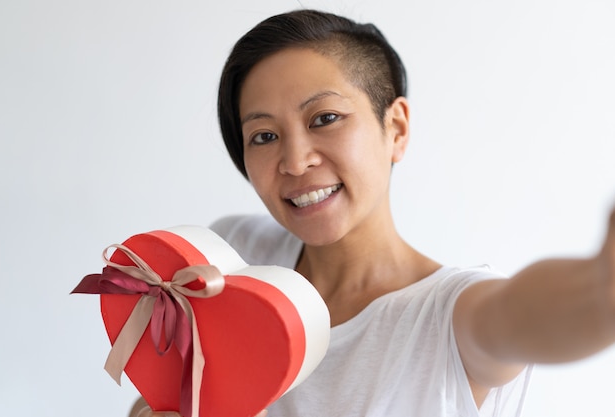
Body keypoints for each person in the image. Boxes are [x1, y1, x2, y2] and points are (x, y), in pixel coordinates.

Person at [134, 8, 615, 417]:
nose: (296, 160)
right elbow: (155, 399)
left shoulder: (447, 314)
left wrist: (601, 287)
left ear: (397, 129)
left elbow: (519, 315)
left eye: (325, 119)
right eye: (264, 135)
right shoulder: (235, 255)